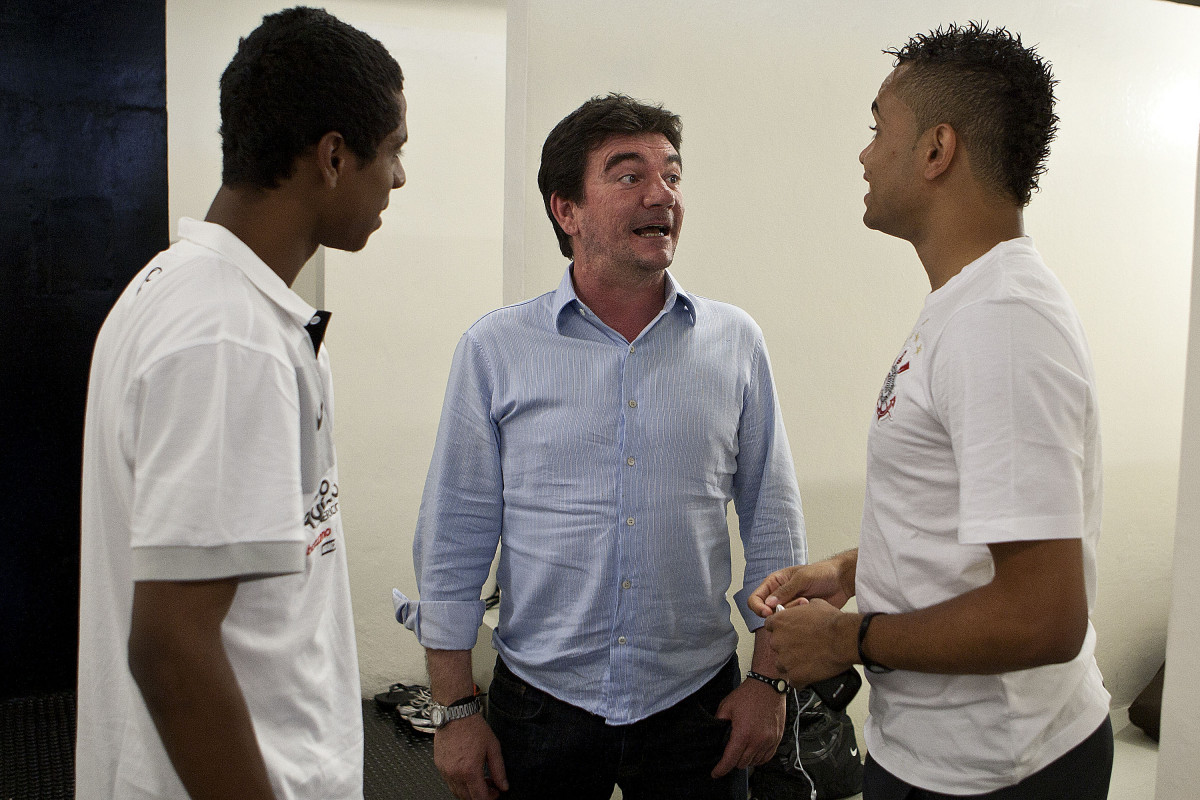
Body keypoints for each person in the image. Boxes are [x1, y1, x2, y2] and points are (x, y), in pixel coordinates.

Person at [393, 93, 807, 800]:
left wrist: (769, 679)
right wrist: (456, 708)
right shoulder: (497, 349)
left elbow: (772, 519)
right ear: (567, 210)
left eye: (672, 176)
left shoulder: (735, 342)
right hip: (541, 701)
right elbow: (454, 537)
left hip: (696, 701)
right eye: (628, 175)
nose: (661, 195)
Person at [750, 22, 1112, 800]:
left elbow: (1045, 617)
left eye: (879, 127)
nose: (864, 153)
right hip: (936, 754)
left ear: (936, 150)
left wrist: (848, 639)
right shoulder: (969, 304)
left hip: (999, 772)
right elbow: (961, 528)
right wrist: (853, 571)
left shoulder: (1002, 322)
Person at [76, 8, 406, 799]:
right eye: (392, 151)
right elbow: (171, 650)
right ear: (332, 157)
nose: (398, 177)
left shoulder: (189, 293)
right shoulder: (229, 341)